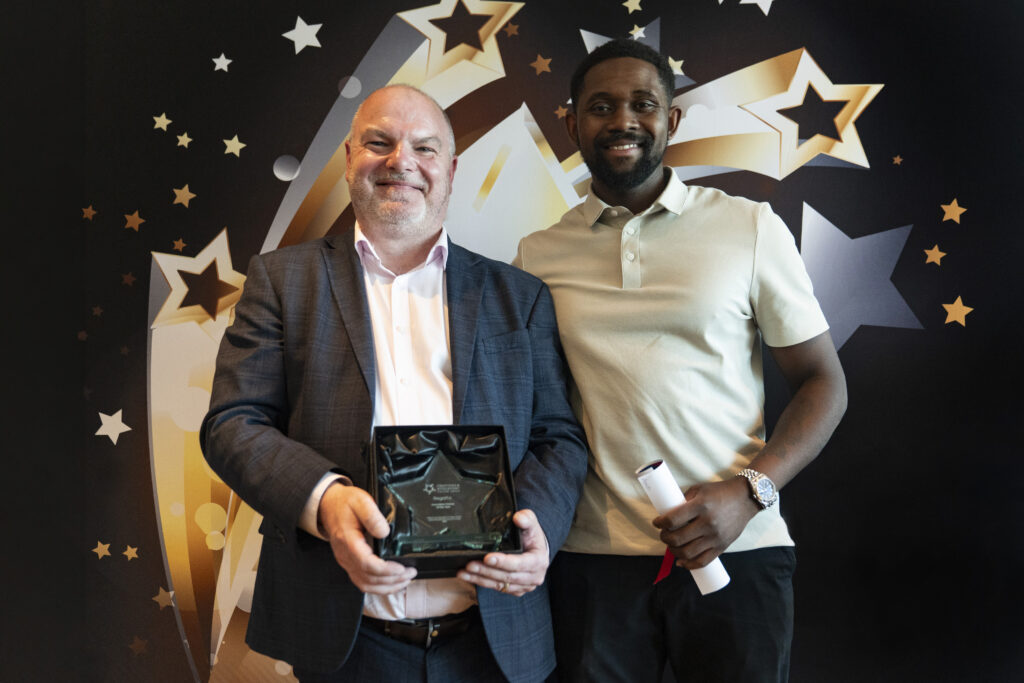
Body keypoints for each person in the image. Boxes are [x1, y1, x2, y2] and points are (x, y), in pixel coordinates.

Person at [201, 84, 588, 683]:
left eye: (424, 148)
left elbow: (558, 437)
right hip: (346, 639)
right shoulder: (282, 281)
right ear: (350, 157)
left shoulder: (520, 296)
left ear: (451, 170)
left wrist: (537, 524)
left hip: (494, 637)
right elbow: (232, 423)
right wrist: (326, 502)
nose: (401, 161)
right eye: (379, 143)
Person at [513, 39, 848, 682]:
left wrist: (749, 494)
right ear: (571, 123)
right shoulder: (537, 254)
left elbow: (822, 382)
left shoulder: (750, 227)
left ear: (671, 121)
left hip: (739, 547)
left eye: (643, 104)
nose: (622, 121)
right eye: (600, 106)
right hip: (591, 560)